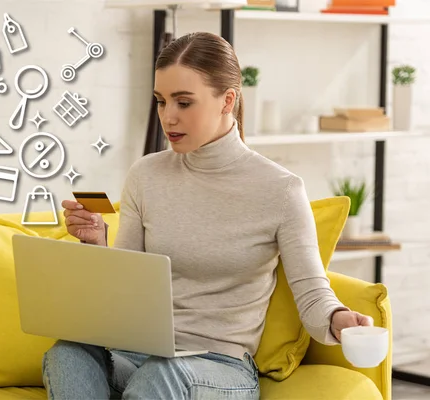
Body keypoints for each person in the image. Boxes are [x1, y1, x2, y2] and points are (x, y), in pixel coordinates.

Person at [41, 32, 374, 400]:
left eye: (184, 102)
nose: (169, 117)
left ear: (227, 100)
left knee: (163, 375)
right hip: (140, 355)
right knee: (67, 354)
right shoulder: (145, 175)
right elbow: (128, 289)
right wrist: (98, 244)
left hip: (221, 367)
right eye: (161, 101)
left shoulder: (280, 190)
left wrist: (339, 318)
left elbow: (311, 291)